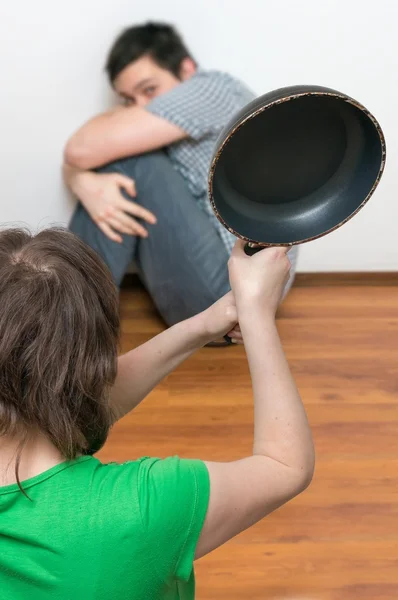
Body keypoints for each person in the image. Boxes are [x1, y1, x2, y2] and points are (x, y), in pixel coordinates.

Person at [0, 227, 313, 599]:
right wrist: (257, 313)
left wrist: (202, 326)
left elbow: (78, 398)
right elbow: (285, 466)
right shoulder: (138, 510)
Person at [63, 22, 298, 338]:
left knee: (130, 158)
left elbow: (80, 149)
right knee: (118, 157)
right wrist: (83, 182)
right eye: (128, 101)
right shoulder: (169, 126)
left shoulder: (210, 88)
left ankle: (64, 328)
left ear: (186, 69)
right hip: (213, 295)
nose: (143, 107)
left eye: (149, 89)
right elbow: (85, 154)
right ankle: (64, 320)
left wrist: (79, 174)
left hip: (233, 293)